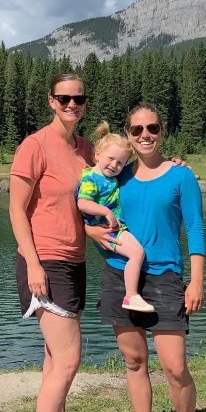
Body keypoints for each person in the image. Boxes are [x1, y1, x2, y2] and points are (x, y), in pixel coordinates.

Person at [88, 104, 206, 412]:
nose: (145, 135)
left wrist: (197, 280)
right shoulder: (115, 176)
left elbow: (197, 228)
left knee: (174, 365)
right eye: (137, 129)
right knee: (135, 361)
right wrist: (90, 231)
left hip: (166, 278)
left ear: (162, 130)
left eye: (152, 127)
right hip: (119, 276)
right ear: (128, 134)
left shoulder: (181, 176)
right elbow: (84, 210)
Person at [9, 73, 98, 412]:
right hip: (44, 262)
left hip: (75, 261)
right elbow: (15, 210)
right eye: (64, 98)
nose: (71, 104)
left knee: (52, 359)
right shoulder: (35, 145)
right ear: (51, 101)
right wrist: (32, 263)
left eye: (78, 98)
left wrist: (169, 164)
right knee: (68, 359)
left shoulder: (85, 150)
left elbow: (117, 175)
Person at [76, 122, 154, 313]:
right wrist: (106, 212)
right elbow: (82, 203)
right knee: (137, 253)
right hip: (106, 229)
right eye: (110, 159)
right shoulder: (91, 179)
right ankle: (131, 296)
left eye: (120, 163)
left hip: (110, 229)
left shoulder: (109, 178)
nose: (114, 165)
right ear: (97, 155)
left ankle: (118, 296)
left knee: (127, 259)